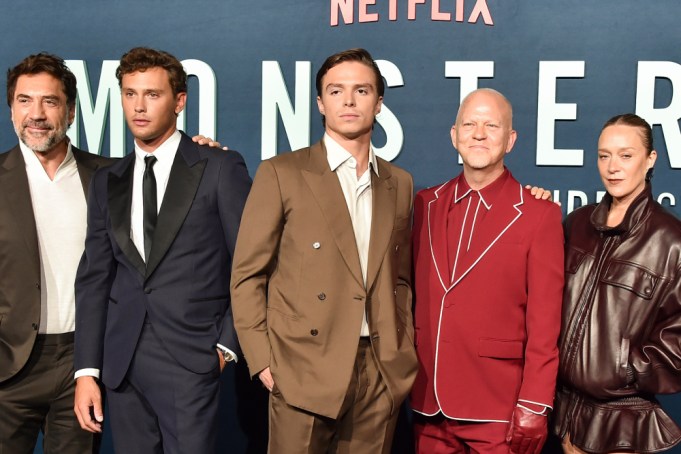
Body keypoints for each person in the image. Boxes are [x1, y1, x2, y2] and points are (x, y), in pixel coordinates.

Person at [230, 48, 418, 453]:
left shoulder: (399, 182)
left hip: (379, 370)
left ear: (379, 102)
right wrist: (263, 360)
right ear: (320, 103)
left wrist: (401, 353)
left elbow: (399, 278)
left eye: (361, 90)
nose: (348, 101)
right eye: (336, 91)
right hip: (303, 367)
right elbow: (247, 275)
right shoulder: (282, 173)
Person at [73, 47, 251, 454]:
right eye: (130, 93)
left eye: (152, 94)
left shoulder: (219, 167)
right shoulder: (107, 181)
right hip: (121, 363)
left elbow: (250, 263)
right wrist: (86, 370)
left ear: (179, 102)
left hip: (191, 357)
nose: (139, 106)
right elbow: (95, 277)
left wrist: (226, 346)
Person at [410, 88, 564, 454]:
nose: (479, 133)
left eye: (491, 125)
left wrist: (535, 404)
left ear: (510, 140)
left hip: (500, 411)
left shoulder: (538, 214)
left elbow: (545, 324)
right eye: (470, 124)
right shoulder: (424, 205)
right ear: (454, 135)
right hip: (428, 405)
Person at [0, 53, 113, 454]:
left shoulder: (110, 177)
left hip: (81, 364)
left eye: (49, 101)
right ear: (11, 109)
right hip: (8, 367)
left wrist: (205, 151)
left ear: (70, 110)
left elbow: (174, 177)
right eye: (24, 101)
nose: (37, 114)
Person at [552, 113, 681, 453]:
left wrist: (626, 368)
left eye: (626, 155)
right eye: (604, 155)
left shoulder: (671, 240)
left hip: (623, 421)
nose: (612, 167)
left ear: (650, 159)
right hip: (564, 416)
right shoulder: (576, 223)